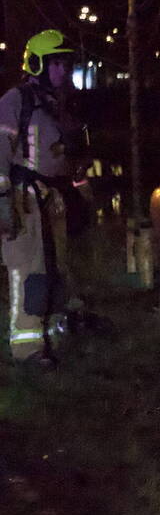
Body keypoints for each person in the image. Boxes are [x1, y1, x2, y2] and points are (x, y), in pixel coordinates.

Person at [0, 29, 89, 367]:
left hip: (54, 198)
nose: (62, 71)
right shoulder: (15, 101)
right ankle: (27, 348)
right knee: (29, 271)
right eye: (56, 64)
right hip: (24, 199)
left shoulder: (59, 104)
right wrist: (3, 201)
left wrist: (81, 193)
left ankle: (52, 330)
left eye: (66, 64)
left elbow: (70, 157)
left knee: (56, 268)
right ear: (37, 63)